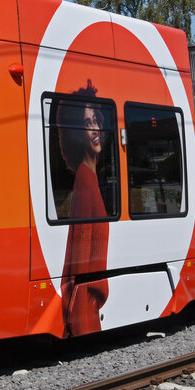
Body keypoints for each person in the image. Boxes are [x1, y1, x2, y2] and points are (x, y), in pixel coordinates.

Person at [56, 81, 110, 336]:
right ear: (76, 134)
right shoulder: (86, 179)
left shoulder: (89, 176)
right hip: (86, 303)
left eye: (95, 121)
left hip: (87, 298)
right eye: (87, 125)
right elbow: (80, 257)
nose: (96, 129)